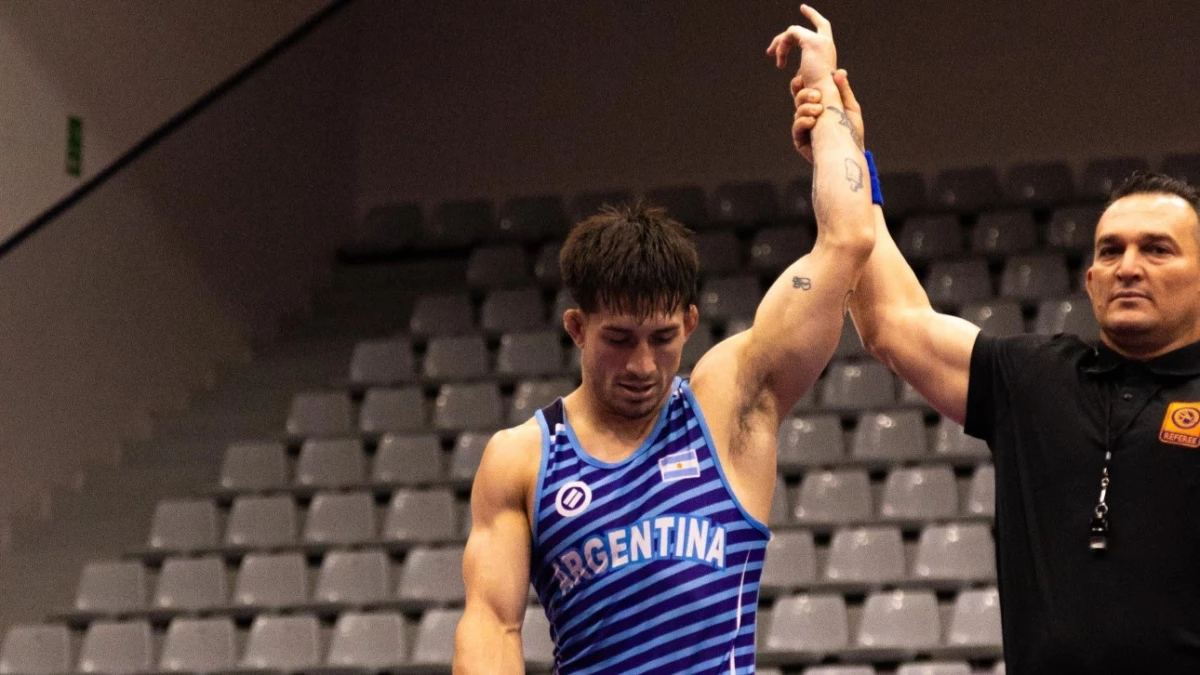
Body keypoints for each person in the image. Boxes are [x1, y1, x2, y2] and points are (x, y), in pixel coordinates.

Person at [453, 7, 874, 673]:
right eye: (619, 338)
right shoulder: (524, 460)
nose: (643, 364)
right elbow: (493, 624)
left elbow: (848, 241)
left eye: (663, 337)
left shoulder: (726, 407)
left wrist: (828, 119)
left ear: (688, 323)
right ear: (577, 327)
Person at [776, 29, 1200, 674]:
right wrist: (844, 148)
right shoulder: (1037, 378)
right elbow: (892, 322)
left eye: (1157, 248)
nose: (1127, 267)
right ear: (1089, 280)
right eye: (1110, 251)